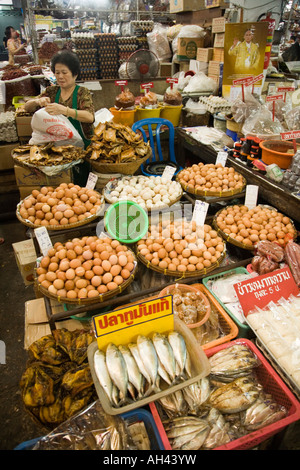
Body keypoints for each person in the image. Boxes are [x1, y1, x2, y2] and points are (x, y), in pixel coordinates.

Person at [24, 50, 95, 149]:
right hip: (58, 147)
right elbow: (26, 107)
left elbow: (89, 117)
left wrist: (65, 110)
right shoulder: (51, 91)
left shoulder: (82, 92)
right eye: (57, 73)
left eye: (64, 72)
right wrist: (37, 101)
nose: (60, 76)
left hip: (82, 147)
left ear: (75, 74)